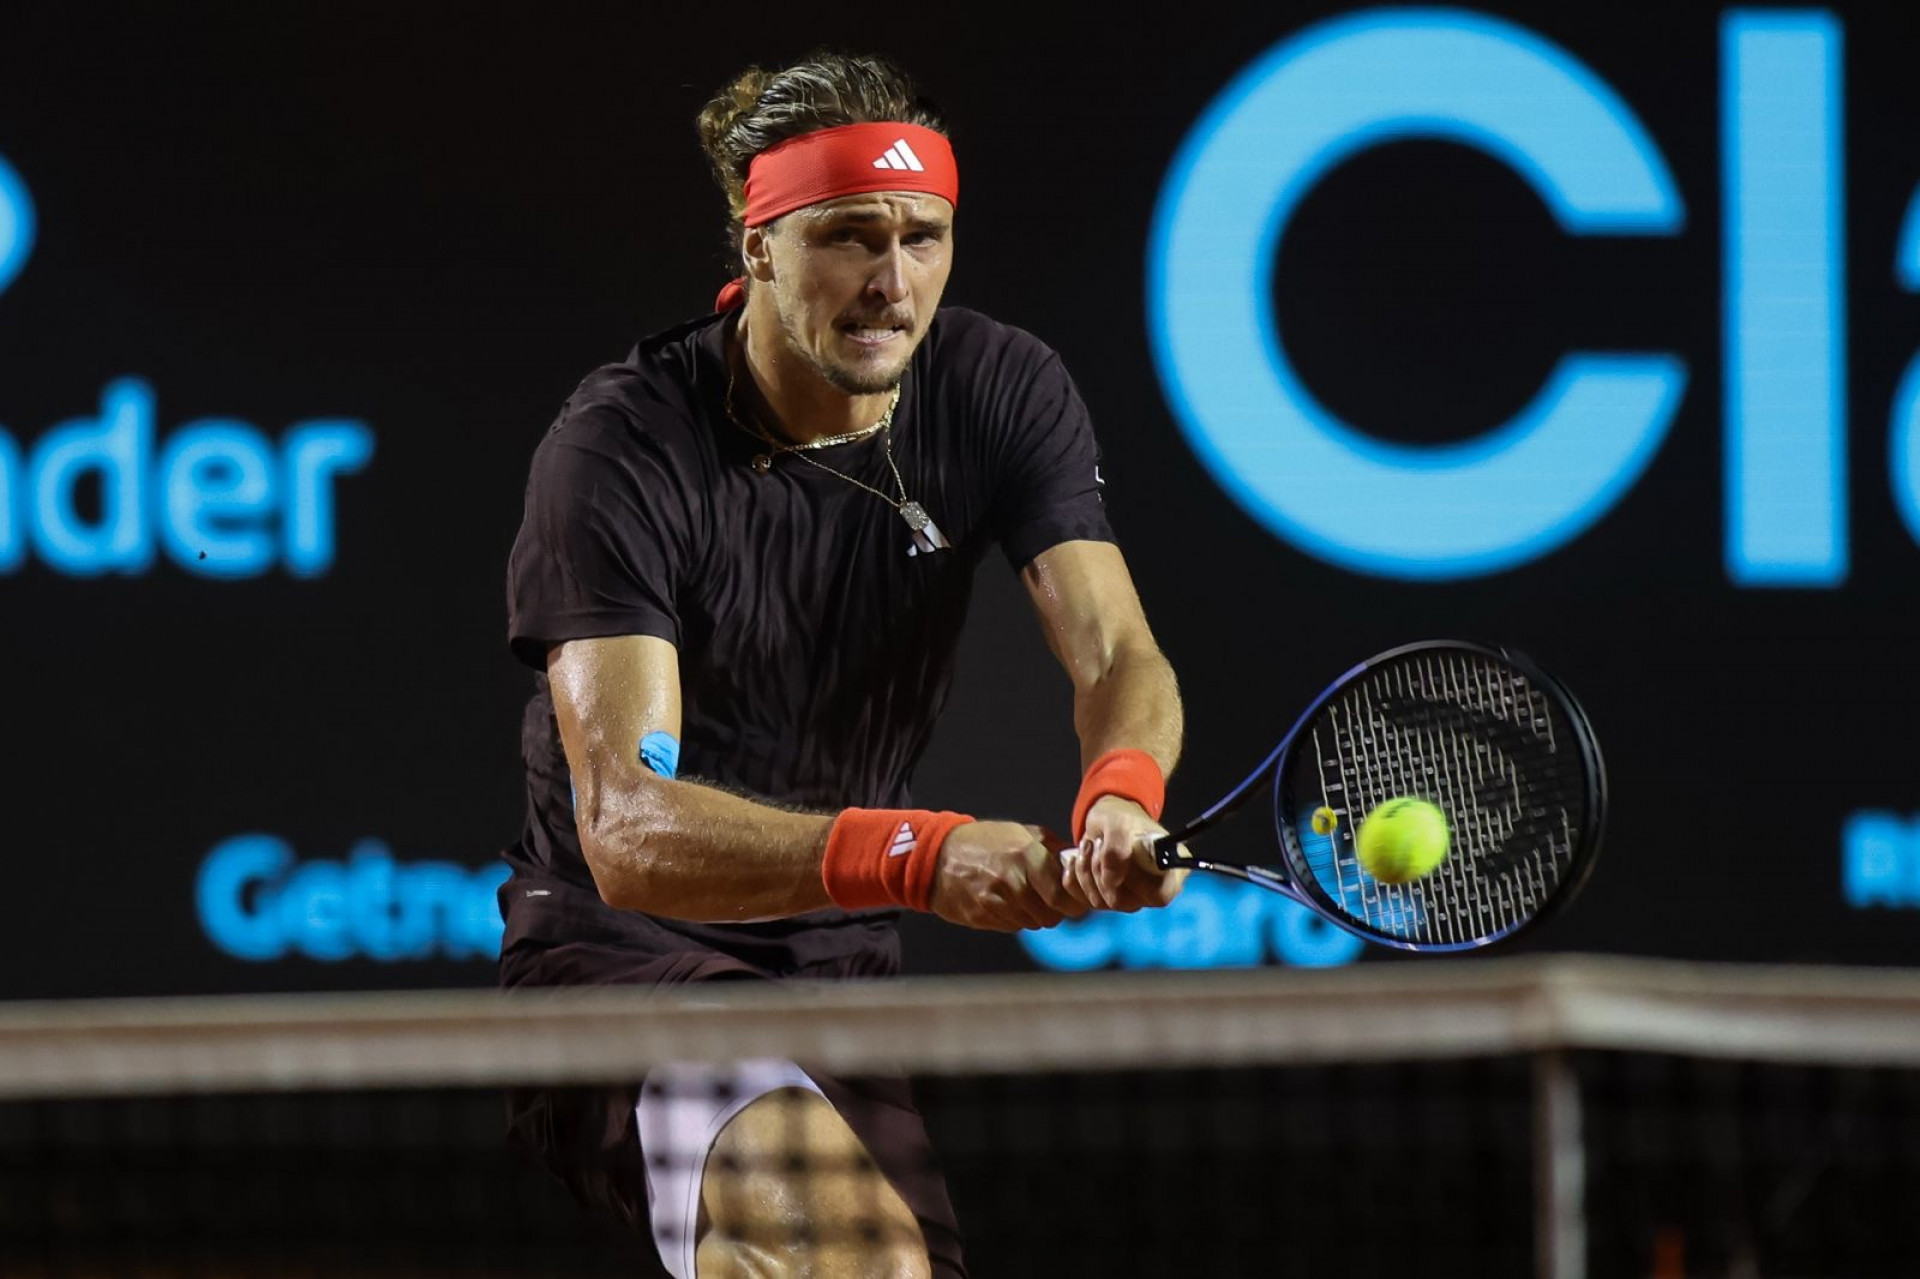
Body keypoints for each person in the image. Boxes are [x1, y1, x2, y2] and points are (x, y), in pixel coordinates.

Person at [499, 50, 1186, 1279]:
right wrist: (917, 853)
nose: (891, 282)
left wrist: (1120, 792)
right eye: (848, 238)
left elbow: (1117, 650)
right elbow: (626, 823)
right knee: (850, 1257)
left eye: (924, 237)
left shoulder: (996, 389)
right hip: (621, 955)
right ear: (756, 247)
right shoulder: (620, 449)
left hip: (836, 965)